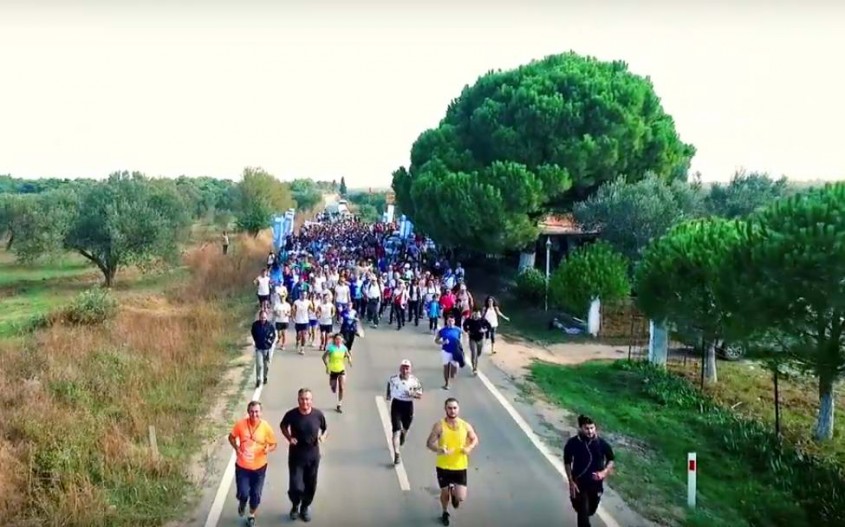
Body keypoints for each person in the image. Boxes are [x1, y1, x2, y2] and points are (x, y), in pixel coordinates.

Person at [426, 397, 479, 526]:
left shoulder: (465, 425)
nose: (452, 410)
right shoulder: (439, 426)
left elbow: (474, 439)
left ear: (458, 409)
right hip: (443, 466)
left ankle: (455, 494)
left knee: (461, 497)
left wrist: (469, 448)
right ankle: (445, 512)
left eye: (454, 408)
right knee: (444, 493)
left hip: (460, 466)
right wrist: (439, 449)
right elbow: (429, 443)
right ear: (445, 409)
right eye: (449, 408)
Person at [280, 388, 328, 523]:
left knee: (310, 485)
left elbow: (325, 429)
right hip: (296, 456)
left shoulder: (318, 415)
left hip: (313, 456)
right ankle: (295, 506)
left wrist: (323, 437)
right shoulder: (292, 414)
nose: (305, 402)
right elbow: (283, 426)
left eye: (307, 399)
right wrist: (289, 437)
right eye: (302, 399)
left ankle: (305, 507)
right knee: (296, 486)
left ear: (311, 400)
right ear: (298, 400)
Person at [228, 401, 278, 527]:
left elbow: (274, 444)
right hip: (242, 467)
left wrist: (268, 449)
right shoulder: (241, 425)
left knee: (256, 494)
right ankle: (242, 502)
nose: (254, 414)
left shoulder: (265, 427)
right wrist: (237, 448)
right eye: (251, 411)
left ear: (260, 412)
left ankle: (251, 515)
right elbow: (231, 437)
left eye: (256, 412)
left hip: (259, 467)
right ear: (248, 412)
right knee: (243, 493)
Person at [563, 415, 616, 527]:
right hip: (579, 485)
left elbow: (611, 459)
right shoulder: (572, 443)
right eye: (586, 428)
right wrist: (570, 481)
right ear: (580, 428)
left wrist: (604, 472)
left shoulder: (602, 444)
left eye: (592, 428)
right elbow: (567, 462)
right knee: (583, 515)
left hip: (595, 485)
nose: (590, 431)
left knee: (590, 511)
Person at [385, 359, 423, 464]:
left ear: (410, 370)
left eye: (407, 368)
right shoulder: (394, 379)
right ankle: (396, 453)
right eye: (403, 367)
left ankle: (404, 434)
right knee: (395, 430)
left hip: (408, 405)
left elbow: (420, 394)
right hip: (397, 404)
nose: (405, 370)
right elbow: (389, 384)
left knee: (405, 428)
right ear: (400, 368)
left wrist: (412, 394)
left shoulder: (414, 381)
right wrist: (388, 395)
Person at [321, 334, 352, 413]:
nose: (338, 341)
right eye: (337, 339)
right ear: (334, 340)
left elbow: (348, 355)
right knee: (333, 387)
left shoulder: (344, 348)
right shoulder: (331, 348)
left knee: (341, 387)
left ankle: (339, 404)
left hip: (341, 369)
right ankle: (332, 386)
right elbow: (324, 357)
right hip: (333, 370)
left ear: (342, 340)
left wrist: (349, 360)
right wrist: (327, 366)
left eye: (340, 339)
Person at [435, 314, 465, 390]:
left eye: (452, 321)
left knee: (454, 371)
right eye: (449, 321)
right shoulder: (442, 330)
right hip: (446, 351)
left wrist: (461, 344)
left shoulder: (458, 330)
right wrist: (443, 342)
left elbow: (463, 337)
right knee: (446, 367)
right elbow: (436, 340)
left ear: (454, 321)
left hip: (455, 351)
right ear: (447, 321)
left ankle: (452, 375)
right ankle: (447, 383)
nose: (450, 322)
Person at [462, 306, 492, 375]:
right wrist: (467, 330)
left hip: (480, 339)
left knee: (479, 353)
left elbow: (489, 326)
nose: (476, 315)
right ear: (472, 314)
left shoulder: (482, 320)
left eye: (477, 314)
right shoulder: (469, 320)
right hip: (472, 339)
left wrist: (484, 330)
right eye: (474, 314)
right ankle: (474, 368)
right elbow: (464, 325)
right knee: (474, 353)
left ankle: (475, 360)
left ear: (480, 314)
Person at [250, 310, 276, 388]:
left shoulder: (270, 326)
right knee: (259, 365)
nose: (263, 319)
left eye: (264, 318)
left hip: (267, 349)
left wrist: (269, 343)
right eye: (261, 317)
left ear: (266, 317)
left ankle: (265, 377)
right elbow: (253, 333)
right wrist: (256, 341)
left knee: (266, 365)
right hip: (259, 348)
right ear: (259, 317)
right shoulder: (255, 325)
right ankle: (258, 379)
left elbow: (273, 336)